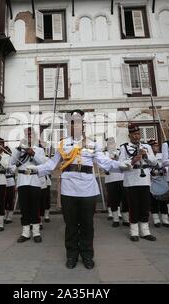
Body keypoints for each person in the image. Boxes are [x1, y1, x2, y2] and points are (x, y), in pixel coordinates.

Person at [29, 110, 121, 269]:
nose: (75, 125)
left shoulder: (92, 144)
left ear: (83, 125)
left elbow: (105, 163)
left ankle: (87, 255)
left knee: (87, 225)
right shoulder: (63, 144)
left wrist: (122, 166)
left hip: (88, 189)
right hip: (69, 190)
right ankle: (71, 255)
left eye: (78, 122)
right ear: (69, 126)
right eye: (72, 123)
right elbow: (51, 164)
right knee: (70, 225)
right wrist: (36, 169)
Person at [119, 123, 158, 241]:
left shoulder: (147, 147)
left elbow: (155, 162)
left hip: (145, 181)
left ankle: (145, 232)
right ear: (129, 135)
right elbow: (120, 165)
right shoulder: (124, 148)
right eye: (133, 134)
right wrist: (132, 160)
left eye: (137, 134)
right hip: (131, 181)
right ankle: (134, 232)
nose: (136, 137)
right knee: (133, 207)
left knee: (145, 206)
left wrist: (146, 155)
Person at [9, 127, 47, 243]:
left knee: (35, 207)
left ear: (34, 136)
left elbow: (43, 164)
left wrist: (33, 153)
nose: (29, 137)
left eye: (31, 135)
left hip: (34, 180)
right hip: (22, 180)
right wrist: (19, 149)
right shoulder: (18, 150)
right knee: (24, 208)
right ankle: (25, 232)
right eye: (27, 135)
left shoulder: (39, 150)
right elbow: (12, 163)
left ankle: (36, 232)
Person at [104, 137, 129, 227]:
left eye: (112, 143)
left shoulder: (120, 151)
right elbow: (103, 167)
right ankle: (115, 219)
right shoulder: (104, 154)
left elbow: (125, 162)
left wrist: (118, 159)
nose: (111, 145)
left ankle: (126, 219)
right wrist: (111, 161)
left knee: (125, 200)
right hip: (110, 180)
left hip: (122, 178)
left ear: (115, 144)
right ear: (107, 145)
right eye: (109, 144)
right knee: (113, 200)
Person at [148, 139, 169, 228]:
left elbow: (167, 165)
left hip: (162, 181)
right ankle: (156, 220)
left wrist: (165, 170)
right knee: (154, 203)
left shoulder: (162, 156)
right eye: (155, 146)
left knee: (163, 202)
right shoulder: (148, 157)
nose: (157, 147)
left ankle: (165, 220)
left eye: (157, 146)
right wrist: (153, 173)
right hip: (152, 182)